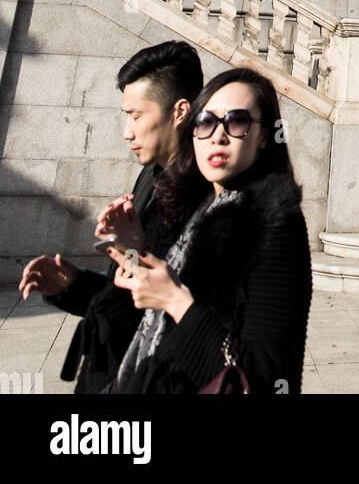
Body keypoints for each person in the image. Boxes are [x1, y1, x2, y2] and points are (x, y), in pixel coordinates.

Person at [107, 68, 312, 395]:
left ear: (263, 137)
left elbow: (267, 378)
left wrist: (176, 301)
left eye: (237, 121)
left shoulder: (274, 221)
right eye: (205, 121)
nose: (218, 135)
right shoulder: (206, 206)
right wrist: (133, 250)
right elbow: (151, 314)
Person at [18, 40, 204, 394]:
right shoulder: (152, 173)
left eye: (136, 116)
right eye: (126, 116)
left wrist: (131, 253)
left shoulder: (202, 195)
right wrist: (71, 284)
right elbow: (125, 288)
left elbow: (161, 312)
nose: (126, 131)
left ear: (179, 112)